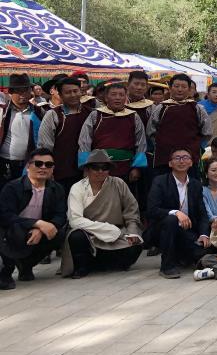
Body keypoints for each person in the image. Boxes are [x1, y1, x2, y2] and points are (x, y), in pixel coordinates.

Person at [61, 150, 143, 279]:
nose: (100, 171)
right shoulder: (78, 188)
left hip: (118, 235)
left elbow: (131, 211)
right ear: (87, 169)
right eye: (96, 167)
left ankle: (103, 264)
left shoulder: (118, 184)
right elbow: (75, 220)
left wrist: (132, 232)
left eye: (105, 168)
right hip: (89, 234)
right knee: (76, 236)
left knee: (135, 247)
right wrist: (107, 229)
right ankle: (83, 267)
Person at [0, 147, 66, 290]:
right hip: (14, 231)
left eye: (48, 164)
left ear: (53, 168)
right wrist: (37, 223)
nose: (43, 167)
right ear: (28, 166)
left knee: (58, 233)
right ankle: (6, 271)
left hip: (38, 232)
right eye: (38, 163)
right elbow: (6, 216)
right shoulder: (12, 188)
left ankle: (26, 265)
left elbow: (60, 216)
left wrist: (41, 229)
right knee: (10, 230)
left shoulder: (57, 189)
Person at [145, 147, 211, 279]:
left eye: (185, 158)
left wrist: (204, 234)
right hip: (161, 231)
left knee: (202, 252)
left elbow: (202, 213)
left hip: (186, 231)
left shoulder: (195, 184)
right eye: (177, 158)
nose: (181, 161)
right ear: (170, 163)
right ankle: (167, 266)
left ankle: (181, 256)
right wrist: (175, 212)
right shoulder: (160, 181)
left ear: (191, 163)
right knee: (172, 219)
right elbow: (152, 210)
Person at [77, 81, 149, 200]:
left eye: (121, 95)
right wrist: (86, 167)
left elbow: (141, 142)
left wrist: (137, 168)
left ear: (126, 98)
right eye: (113, 94)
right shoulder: (96, 115)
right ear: (106, 97)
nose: (117, 98)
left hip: (126, 167)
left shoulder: (133, 116)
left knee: (124, 200)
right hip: (99, 168)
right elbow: (84, 141)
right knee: (100, 200)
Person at [148, 74, 213, 175]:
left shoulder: (197, 108)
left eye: (184, 87)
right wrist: (161, 145)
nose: (180, 90)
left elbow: (207, 132)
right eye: (176, 86)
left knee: (190, 183)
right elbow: (151, 131)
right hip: (165, 158)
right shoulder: (161, 108)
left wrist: (197, 146)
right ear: (170, 88)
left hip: (190, 158)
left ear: (189, 89)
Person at [37, 78, 89, 191]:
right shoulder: (53, 115)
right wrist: (47, 169)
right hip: (61, 172)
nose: (73, 95)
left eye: (75, 91)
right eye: (68, 92)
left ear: (81, 92)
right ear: (60, 95)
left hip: (86, 172)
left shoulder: (91, 113)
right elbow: (45, 146)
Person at [0, 74, 43, 183]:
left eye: (26, 90)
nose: (23, 94)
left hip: (29, 162)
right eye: (19, 91)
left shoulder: (38, 112)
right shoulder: (3, 112)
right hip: (6, 162)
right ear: (11, 92)